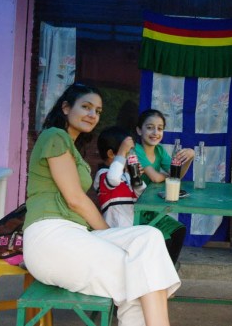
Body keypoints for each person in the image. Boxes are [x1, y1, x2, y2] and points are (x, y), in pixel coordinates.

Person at [22, 83, 180, 326]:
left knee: (150, 237)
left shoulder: (72, 148)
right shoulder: (55, 136)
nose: (92, 115)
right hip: (50, 237)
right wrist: (110, 235)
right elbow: (75, 199)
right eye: (86, 107)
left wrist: (111, 236)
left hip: (75, 234)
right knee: (138, 272)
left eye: (97, 111)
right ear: (66, 108)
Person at [133, 109, 193, 264]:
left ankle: (168, 272)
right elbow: (155, 177)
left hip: (151, 209)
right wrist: (170, 176)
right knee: (164, 238)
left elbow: (177, 176)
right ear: (139, 130)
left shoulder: (159, 150)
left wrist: (189, 158)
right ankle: (156, 274)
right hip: (135, 209)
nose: (155, 132)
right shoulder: (136, 150)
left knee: (179, 230)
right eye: (150, 127)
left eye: (159, 128)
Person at [93, 125, 146, 228]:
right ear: (111, 154)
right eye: (128, 152)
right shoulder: (103, 174)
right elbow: (113, 179)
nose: (131, 155)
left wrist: (136, 177)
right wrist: (122, 152)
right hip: (114, 231)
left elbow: (142, 196)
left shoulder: (126, 175)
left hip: (133, 229)